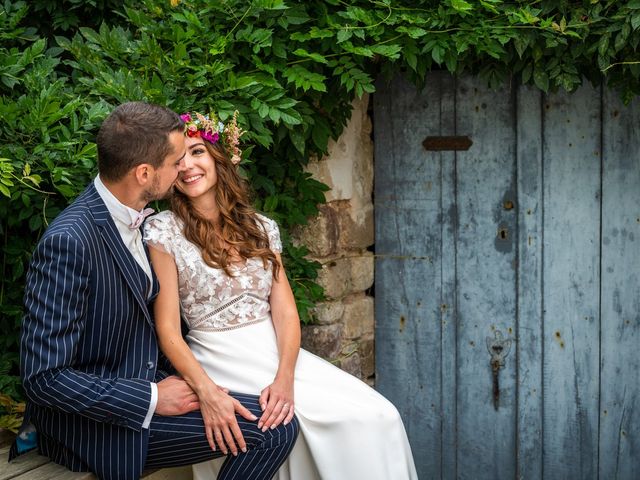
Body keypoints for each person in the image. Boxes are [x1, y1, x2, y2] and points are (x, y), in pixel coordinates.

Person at [9, 102, 299, 480]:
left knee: (270, 417)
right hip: (99, 422)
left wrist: (187, 384)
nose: (184, 168)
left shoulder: (145, 224)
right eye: (177, 160)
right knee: (273, 431)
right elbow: (43, 379)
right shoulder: (70, 241)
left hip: (155, 380)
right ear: (145, 173)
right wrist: (152, 398)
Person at [144, 111, 418, 480]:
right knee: (304, 426)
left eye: (197, 152)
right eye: (178, 161)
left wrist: (284, 378)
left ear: (219, 158)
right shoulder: (164, 231)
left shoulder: (260, 228)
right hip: (218, 358)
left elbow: (286, 313)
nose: (188, 166)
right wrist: (207, 392)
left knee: (379, 417)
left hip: (276, 355)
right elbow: (168, 332)